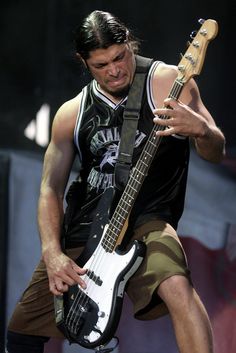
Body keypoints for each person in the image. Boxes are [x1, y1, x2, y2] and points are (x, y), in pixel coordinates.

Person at [6, 10, 225, 353]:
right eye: (101, 65)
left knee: (177, 286)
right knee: (20, 333)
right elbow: (50, 187)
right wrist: (51, 252)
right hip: (87, 225)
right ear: (84, 62)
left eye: (119, 57)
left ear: (128, 43)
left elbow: (216, 151)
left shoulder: (168, 81)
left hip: (148, 217)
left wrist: (201, 130)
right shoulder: (71, 113)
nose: (114, 70)